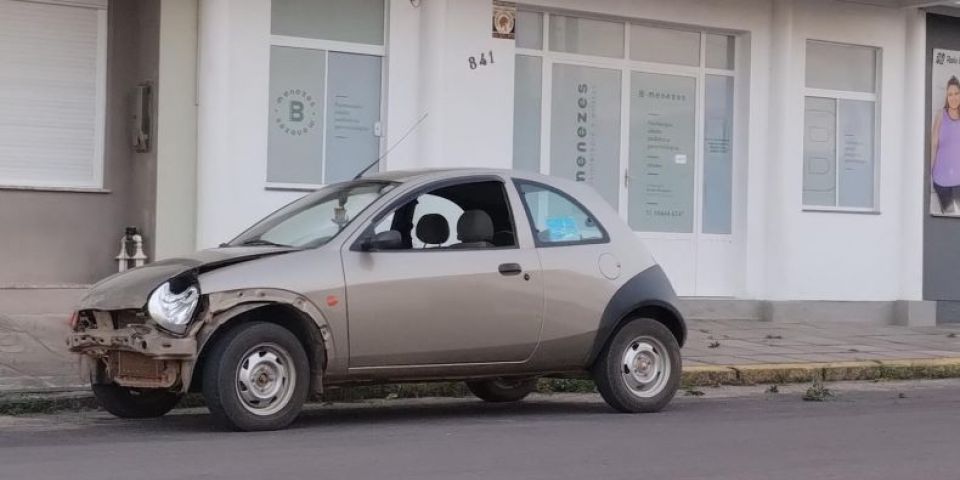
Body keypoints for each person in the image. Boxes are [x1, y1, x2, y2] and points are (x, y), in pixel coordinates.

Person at [932, 76, 960, 214]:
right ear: (946, 97)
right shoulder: (940, 115)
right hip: (941, 181)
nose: (953, 97)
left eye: (956, 93)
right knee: (949, 219)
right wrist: (928, 173)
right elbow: (933, 146)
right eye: (950, 94)